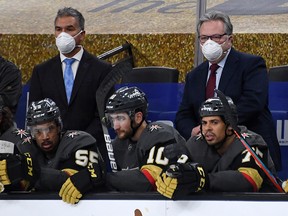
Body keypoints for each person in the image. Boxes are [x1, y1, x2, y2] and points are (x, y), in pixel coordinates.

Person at [175, 10, 282, 171]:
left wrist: (219, 125)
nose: (210, 43)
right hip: (207, 159)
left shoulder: (251, 65)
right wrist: (194, 130)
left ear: (229, 39)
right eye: (204, 38)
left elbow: (253, 103)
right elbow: (183, 114)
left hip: (248, 153)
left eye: (217, 37)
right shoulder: (194, 76)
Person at [28, 7, 113, 166]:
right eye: (59, 29)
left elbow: (103, 116)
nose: (63, 35)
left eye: (69, 29)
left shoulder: (102, 70)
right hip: (51, 155)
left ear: (82, 35)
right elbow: (34, 115)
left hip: (90, 152)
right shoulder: (41, 71)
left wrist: (78, 142)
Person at [157, 96, 280, 199]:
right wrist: (173, 172)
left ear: (230, 126)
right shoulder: (196, 143)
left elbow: (248, 181)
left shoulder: (251, 142)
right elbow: (179, 173)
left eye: (214, 122)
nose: (207, 128)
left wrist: (203, 179)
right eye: (204, 123)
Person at [0, 98, 105, 204]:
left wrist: (32, 173)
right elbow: (20, 189)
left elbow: (71, 181)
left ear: (59, 127)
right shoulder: (24, 147)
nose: (45, 136)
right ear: (31, 133)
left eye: (50, 129)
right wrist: (10, 180)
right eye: (38, 131)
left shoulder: (79, 142)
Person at [104, 86, 188, 192]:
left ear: (138, 117)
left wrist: (102, 179)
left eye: (120, 118)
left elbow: (149, 182)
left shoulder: (161, 136)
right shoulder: (120, 142)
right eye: (112, 119)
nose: (115, 126)